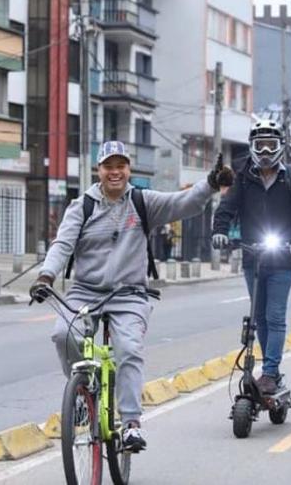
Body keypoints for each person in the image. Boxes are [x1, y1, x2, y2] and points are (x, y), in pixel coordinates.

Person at [30, 140, 233, 452]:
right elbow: (62, 245)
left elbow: (183, 203)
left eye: (120, 166)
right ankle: (84, 394)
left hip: (130, 293)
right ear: (99, 170)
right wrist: (46, 276)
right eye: (108, 166)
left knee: (129, 348)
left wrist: (209, 184)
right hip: (85, 291)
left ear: (128, 169)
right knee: (62, 334)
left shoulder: (142, 201)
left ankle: (131, 424)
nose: (115, 172)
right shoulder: (81, 206)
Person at [210, 119, 291, 395]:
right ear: (253, 147)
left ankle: (269, 372)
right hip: (252, 258)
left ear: (280, 147)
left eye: (270, 145)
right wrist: (220, 231)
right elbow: (227, 207)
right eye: (260, 145)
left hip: (282, 259)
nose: (265, 152)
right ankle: (272, 370)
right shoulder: (243, 177)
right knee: (259, 318)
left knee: (275, 316)